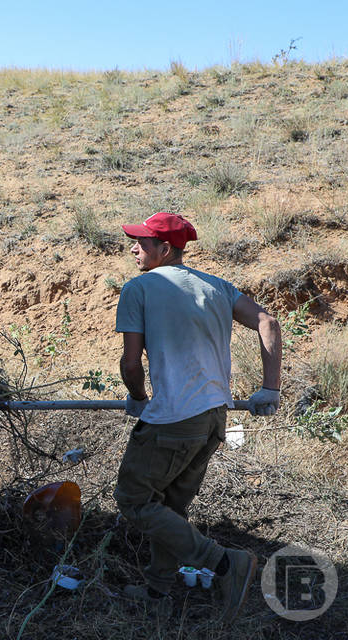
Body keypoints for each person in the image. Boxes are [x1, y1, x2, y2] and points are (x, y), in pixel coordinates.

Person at [112, 211, 281, 621]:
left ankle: (224, 563)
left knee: (133, 499)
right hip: (213, 418)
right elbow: (268, 322)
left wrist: (137, 396)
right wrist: (270, 387)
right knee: (170, 507)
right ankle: (157, 593)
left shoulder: (139, 288)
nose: (133, 248)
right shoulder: (216, 286)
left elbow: (131, 364)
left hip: (173, 418)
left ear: (165, 248)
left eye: (141, 242)